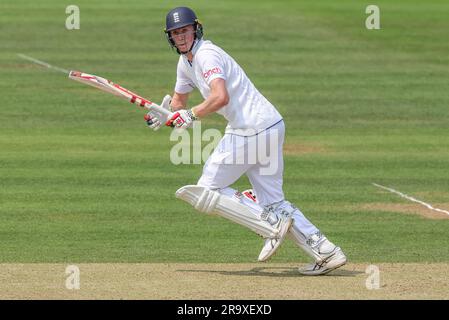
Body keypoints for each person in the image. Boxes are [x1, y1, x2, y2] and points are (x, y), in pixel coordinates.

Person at [145, 6, 347, 275]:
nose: (180, 37)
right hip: (270, 125)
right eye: (175, 33)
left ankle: (268, 222)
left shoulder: (207, 55)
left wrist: (190, 116)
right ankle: (326, 250)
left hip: (251, 129)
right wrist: (165, 112)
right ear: (170, 37)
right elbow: (179, 101)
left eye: (184, 30)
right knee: (274, 200)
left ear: (196, 29)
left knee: (207, 189)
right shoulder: (185, 63)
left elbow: (220, 97)